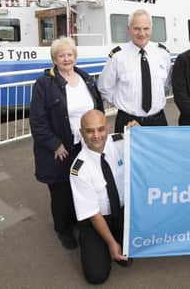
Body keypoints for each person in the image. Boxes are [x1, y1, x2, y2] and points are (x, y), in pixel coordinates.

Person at [29, 37, 104, 250]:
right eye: (61, 55)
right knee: (61, 190)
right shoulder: (44, 84)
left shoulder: (85, 78)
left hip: (85, 145)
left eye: (69, 54)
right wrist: (55, 144)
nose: (66, 58)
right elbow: (37, 120)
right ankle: (63, 230)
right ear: (54, 59)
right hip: (62, 148)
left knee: (82, 186)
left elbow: (97, 108)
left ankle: (81, 221)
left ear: (75, 57)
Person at [70, 110, 130, 284]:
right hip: (97, 219)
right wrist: (111, 243)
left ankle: (115, 239)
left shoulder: (121, 142)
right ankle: (92, 241)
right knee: (96, 276)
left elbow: (148, 145)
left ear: (107, 128)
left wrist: (139, 130)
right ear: (81, 132)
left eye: (101, 129)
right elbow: (94, 216)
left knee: (130, 256)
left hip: (123, 212)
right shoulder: (79, 169)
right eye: (89, 131)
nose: (96, 136)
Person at [98, 9, 172, 133]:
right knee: (126, 152)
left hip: (158, 120)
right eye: (136, 28)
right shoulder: (118, 56)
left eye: (146, 28)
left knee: (158, 152)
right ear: (129, 29)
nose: (142, 33)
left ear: (151, 29)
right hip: (127, 121)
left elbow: (166, 82)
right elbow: (104, 87)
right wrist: (123, 104)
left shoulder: (162, 53)